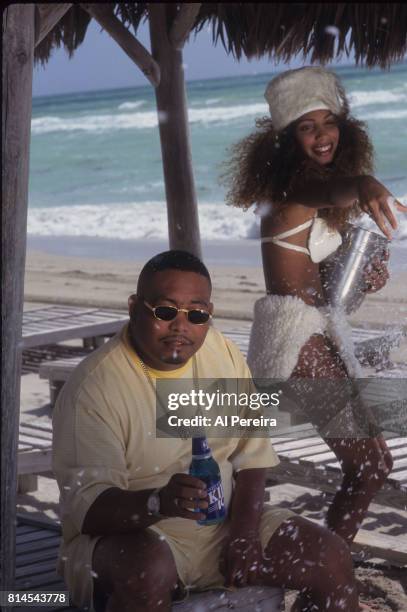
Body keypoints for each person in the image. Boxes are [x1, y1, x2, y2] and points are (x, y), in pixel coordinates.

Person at [53, 250, 361, 612]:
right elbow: (88, 511)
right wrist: (158, 502)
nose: (181, 327)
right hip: (132, 540)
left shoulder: (220, 352)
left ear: (209, 315)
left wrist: (244, 534)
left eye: (196, 315)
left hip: (222, 528)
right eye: (165, 311)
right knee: (147, 570)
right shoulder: (96, 385)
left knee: (331, 557)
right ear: (134, 307)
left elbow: (252, 455)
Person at [223, 66, 407, 547]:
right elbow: (325, 191)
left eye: (328, 122)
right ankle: (325, 577)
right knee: (368, 464)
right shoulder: (290, 198)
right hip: (294, 340)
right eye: (307, 127)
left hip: (313, 333)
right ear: (287, 140)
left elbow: (327, 294)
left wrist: (365, 281)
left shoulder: (320, 205)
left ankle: (330, 568)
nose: (322, 135)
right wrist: (364, 182)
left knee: (374, 463)